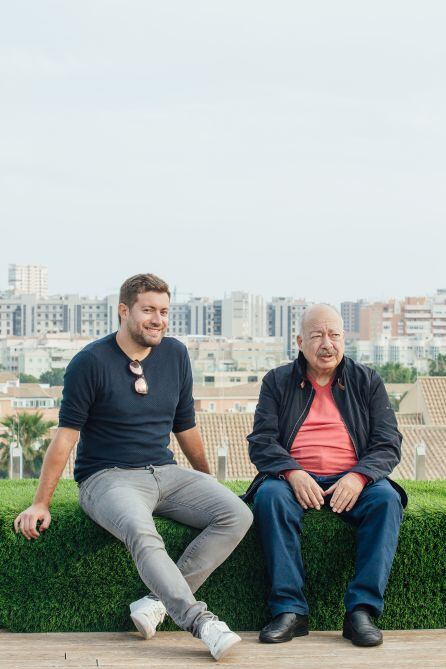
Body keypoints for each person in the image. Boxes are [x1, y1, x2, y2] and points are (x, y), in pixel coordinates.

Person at [14, 272, 253, 661]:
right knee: (142, 532)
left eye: (163, 311)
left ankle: (155, 601)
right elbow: (65, 438)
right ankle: (199, 620)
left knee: (236, 514)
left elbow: (186, 426)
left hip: (165, 471)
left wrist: (206, 478)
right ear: (124, 311)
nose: (158, 319)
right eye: (148, 310)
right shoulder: (89, 362)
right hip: (106, 479)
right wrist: (41, 502)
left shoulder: (175, 354)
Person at [244, 303, 406, 647]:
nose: (326, 343)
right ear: (300, 341)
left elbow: (388, 443)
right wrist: (291, 471)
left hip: (353, 478)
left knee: (387, 500)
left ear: (344, 339)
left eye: (334, 334)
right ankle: (290, 611)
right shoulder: (277, 381)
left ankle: (360, 612)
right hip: (293, 479)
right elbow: (261, 442)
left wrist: (359, 476)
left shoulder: (367, 381)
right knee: (270, 497)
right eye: (317, 335)